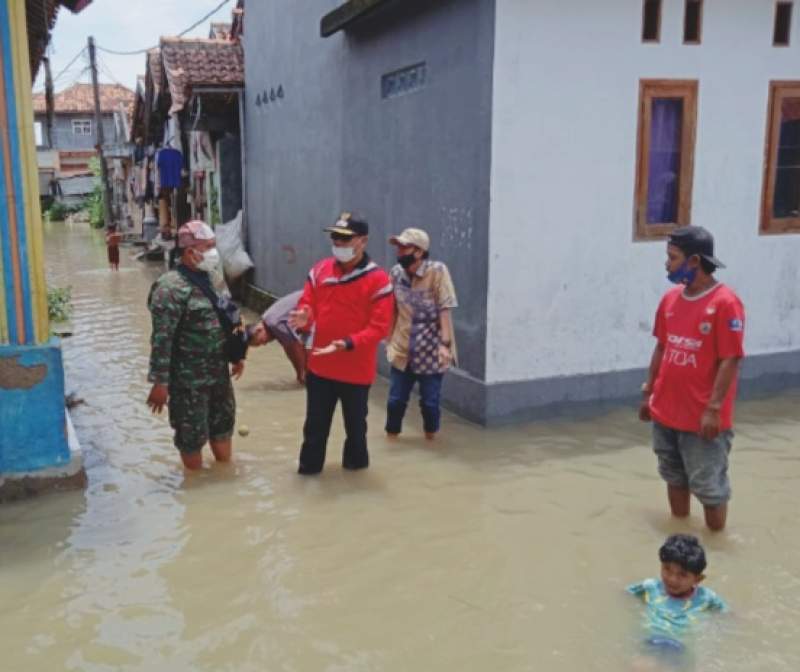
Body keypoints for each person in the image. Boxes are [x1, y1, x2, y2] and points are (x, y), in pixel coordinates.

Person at [639, 226, 745, 532]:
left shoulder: (726, 303)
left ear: (695, 261)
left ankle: (715, 543)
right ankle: (680, 537)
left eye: (672, 258)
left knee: (710, 489)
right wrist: (649, 394)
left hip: (702, 419)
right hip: (666, 412)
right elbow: (661, 347)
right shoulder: (670, 300)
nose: (667, 264)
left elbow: (730, 358)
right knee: (673, 476)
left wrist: (713, 409)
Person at [288, 212, 394, 475]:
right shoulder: (319, 270)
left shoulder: (378, 280)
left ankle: (356, 484)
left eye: (346, 239)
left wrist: (346, 343)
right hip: (320, 369)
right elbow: (308, 304)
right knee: (314, 429)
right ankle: (308, 478)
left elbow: (379, 328)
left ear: (363, 241)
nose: (339, 243)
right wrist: (303, 317)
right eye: (335, 237)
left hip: (355, 373)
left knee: (356, 432)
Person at [146, 220, 244, 470]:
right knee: (191, 437)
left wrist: (238, 353)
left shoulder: (214, 277)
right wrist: (160, 382)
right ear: (191, 252)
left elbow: (229, 315)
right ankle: (196, 486)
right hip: (188, 382)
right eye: (209, 246)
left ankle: (224, 478)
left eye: (214, 246)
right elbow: (162, 339)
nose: (214, 252)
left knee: (223, 426)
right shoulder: (170, 289)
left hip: (218, 374)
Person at [385, 227, 458, 439]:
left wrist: (445, 346)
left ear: (418, 252)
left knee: (429, 403)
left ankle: (430, 439)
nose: (399, 252)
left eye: (404, 247)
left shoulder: (437, 272)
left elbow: (445, 309)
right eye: (398, 247)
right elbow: (392, 308)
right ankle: (391, 440)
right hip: (402, 348)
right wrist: (387, 340)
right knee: (395, 401)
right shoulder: (396, 273)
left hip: (432, 350)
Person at [627, 534, 726, 669]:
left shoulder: (706, 597)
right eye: (667, 569)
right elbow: (625, 595)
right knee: (640, 667)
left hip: (680, 646)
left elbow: (726, 614)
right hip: (651, 640)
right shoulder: (650, 587)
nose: (672, 579)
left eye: (682, 574)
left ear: (698, 579)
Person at [247, 290, 307, 384]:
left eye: (260, 341)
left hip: (319, 300)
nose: (265, 344)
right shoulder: (268, 319)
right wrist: (300, 373)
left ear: (259, 330)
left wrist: (301, 374)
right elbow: (289, 348)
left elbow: (296, 346)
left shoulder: (274, 324)